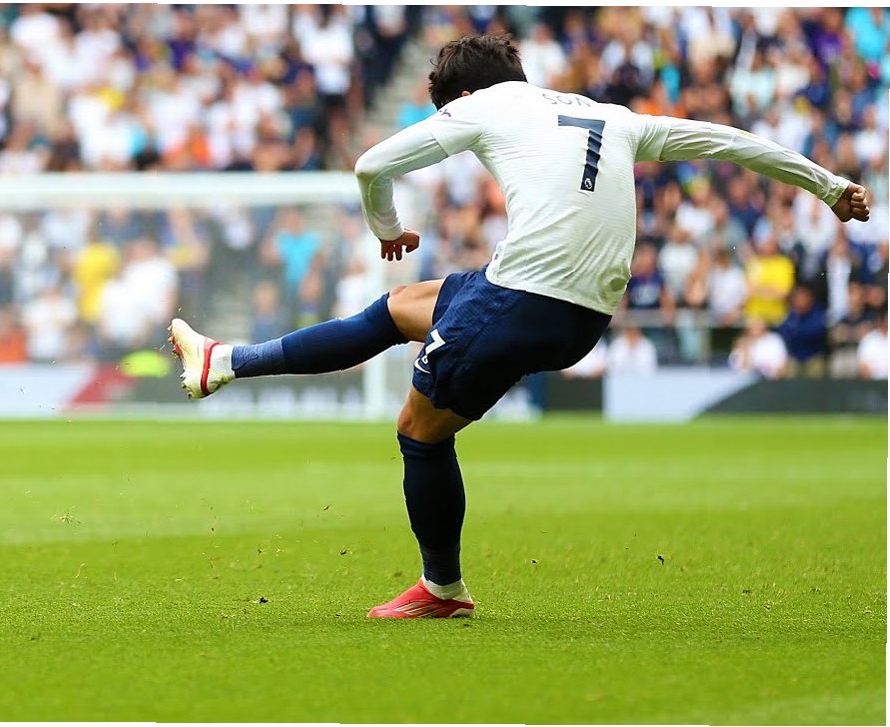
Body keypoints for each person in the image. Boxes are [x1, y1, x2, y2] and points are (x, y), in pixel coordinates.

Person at [168, 35, 871, 619]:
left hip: (525, 297)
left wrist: (386, 228)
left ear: (463, 95)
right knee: (400, 306)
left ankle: (441, 588)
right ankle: (225, 361)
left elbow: (370, 164)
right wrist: (829, 186)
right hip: (582, 311)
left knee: (419, 430)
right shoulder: (611, 116)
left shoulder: (483, 106)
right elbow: (725, 141)